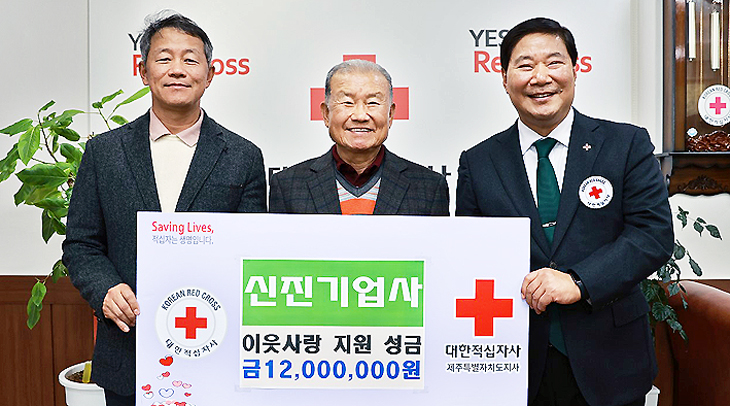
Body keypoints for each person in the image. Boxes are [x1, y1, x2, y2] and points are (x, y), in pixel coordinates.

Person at [456, 17, 673, 406]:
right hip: (515, 361)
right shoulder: (479, 162)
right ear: (504, 79)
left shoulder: (625, 144)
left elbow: (651, 235)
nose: (540, 77)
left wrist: (580, 281)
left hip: (611, 360)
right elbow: (472, 254)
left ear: (575, 69)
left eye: (554, 63)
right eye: (525, 65)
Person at [62, 12, 266, 406]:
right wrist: (106, 290)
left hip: (216, 350)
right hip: (129, 350)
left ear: (210, 74)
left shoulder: (243, 156)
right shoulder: (104, 153)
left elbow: (250, 251)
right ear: (143, 71)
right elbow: (82, 244)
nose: (177, 70)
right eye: (164, 58)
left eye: (190, 59)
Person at [269, 60, 449, 215]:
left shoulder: (430, 187)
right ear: (326, 114)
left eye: (373, 102)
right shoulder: (288, 186)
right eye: (347, 102)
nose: (360, 116)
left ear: (390, 115)